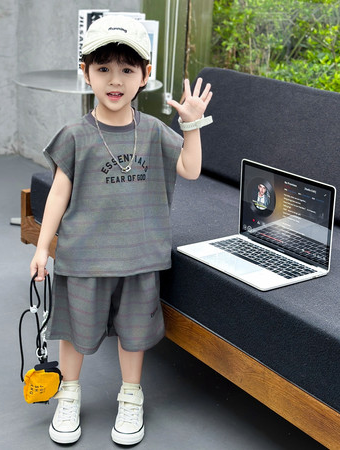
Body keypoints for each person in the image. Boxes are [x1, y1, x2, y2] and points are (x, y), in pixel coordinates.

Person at [30, 14, 213, 446]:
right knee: (74, 330)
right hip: (83, 257)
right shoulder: (75, 135)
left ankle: (131, 396)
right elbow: (58, 195)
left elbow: (190, 169)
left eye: (128, 69)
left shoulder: (154, 132)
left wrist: (191, 125)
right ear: (86, 72)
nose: (116, 80)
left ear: (145, 75)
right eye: (104, 68)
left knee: (134, 334)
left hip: (139, 257)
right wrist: (41, 247)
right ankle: (68, 394)